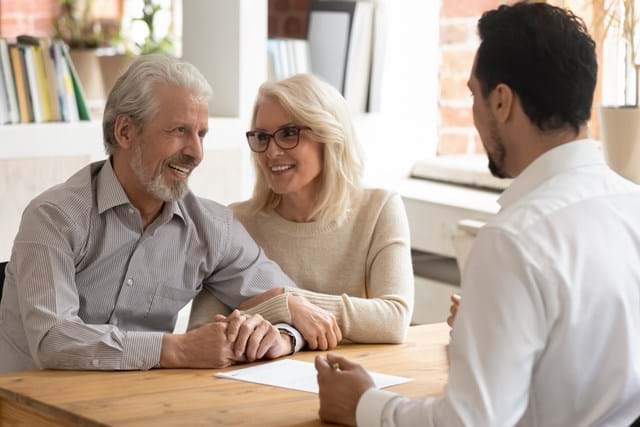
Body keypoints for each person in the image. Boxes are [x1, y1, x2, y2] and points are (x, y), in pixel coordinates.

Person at [315, 2, 640, 426]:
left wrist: (363, 405)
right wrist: (485, 332)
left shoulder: (514, 241)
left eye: (473, 94)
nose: (474, 112)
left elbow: (472, 422)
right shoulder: (631, 206)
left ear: (501, 101)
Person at [0, 54, 306, 373]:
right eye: (179, 131)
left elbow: (298, 309)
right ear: (125, 133)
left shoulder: (212, 228)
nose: (196, 153)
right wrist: (177, 349)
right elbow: (53, 340)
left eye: (200, 134)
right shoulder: (54, 218)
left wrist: (280, 337)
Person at [189, 74, 414, 349]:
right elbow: (203, 331)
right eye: (262, 137)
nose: (271, 152)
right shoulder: (235, 222)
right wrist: (287, 308)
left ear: (329, 137)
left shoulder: (379, 209)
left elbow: (394, 320)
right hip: (255, 387)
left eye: (288, 133)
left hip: (351, 378)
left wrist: (282, 297)